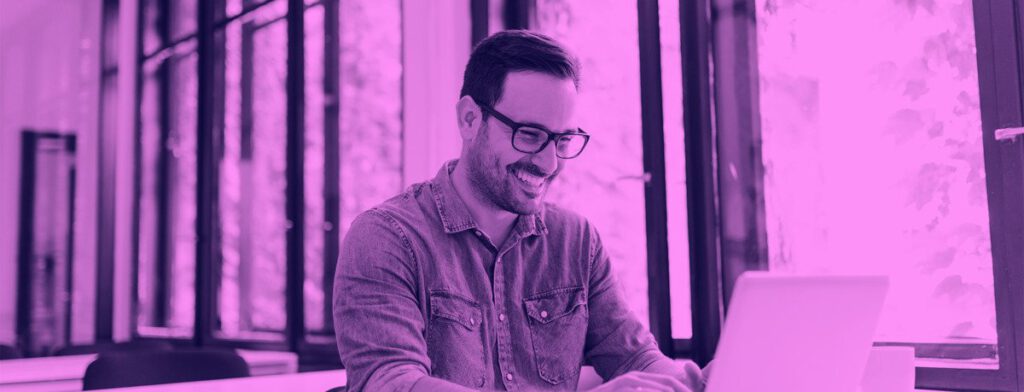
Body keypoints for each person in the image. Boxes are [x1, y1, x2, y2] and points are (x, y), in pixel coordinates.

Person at [334, 30, 705, 391]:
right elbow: (394, 383)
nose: (549, 162)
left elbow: (637, 359)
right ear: (469, 119)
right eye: (529, 134)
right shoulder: (386, 238)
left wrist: (699, 380)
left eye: (562, 140)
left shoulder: (577, 242)